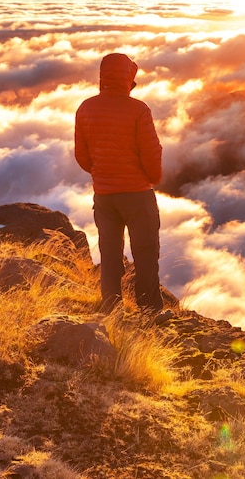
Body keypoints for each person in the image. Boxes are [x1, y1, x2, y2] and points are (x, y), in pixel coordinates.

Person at [74, 53, 167, 319]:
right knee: (146, 251)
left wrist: (102, 174)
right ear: (129, 77)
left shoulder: (86, 108)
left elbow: (82, 155)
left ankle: (111, 310)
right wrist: (152, 179)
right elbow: (151, 153)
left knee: (110, 253)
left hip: (105, 196)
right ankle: (149, 311)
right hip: (138, 194)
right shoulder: (138, 110)